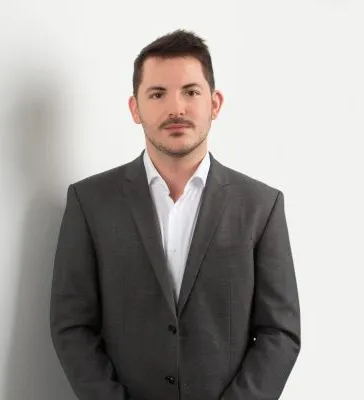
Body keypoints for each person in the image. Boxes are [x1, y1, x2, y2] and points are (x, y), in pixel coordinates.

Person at [50, 29, 301, 400]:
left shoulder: (261, 206)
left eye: (191, 92)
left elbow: (280, 332)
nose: (176, 108)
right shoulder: (89, 202)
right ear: (135, 108)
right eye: (157, 94)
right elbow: (72, 326)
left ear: (215, 103)